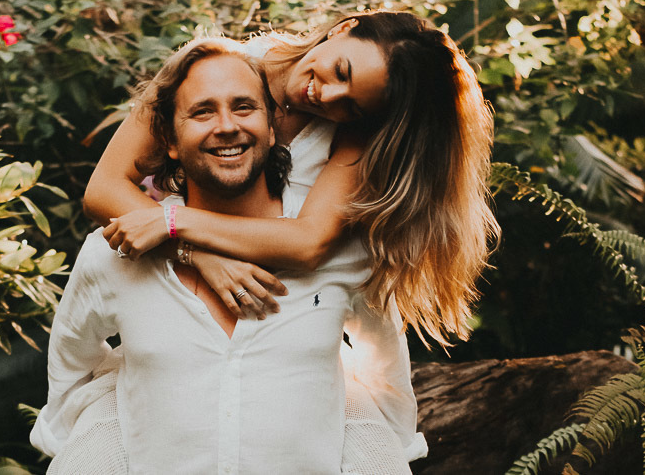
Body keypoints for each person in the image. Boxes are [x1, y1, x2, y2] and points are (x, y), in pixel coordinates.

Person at [32, 42, 417, 472]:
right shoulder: (115, 255)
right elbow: (70, 371)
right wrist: (118, 414)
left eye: (244, 107)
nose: (227, 126)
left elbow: (388, 382)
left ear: (272, 129)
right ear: (169, 141)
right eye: (202, 112)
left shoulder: (343, 253)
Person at [87, 10, 499, 346]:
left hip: (290, 309)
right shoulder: (216, 66)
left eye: (352, 105)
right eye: (340, 71)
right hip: (180, 292)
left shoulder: (352, 135)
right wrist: (198, 255)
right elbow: (104, 188)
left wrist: (175, 222)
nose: (328, 96)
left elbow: (308, 243)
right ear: (343, 28)